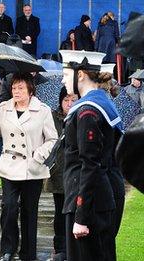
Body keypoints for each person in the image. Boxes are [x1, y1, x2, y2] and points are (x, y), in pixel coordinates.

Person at [0, 73, 57, 261]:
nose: (16, 91)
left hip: (33, 168)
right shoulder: (4, 108)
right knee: (9, 208)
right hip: (9, 166)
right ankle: (8, 248)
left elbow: (53, 139)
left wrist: (38, 155)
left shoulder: (43, 110)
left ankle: (28, 253)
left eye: (21, 88)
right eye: (14, 88)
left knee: (30, 212)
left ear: (30, 90)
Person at [59, 50, 125, 261]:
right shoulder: (99, 104)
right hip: (97, 200)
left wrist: (81, 216)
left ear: (80, 75)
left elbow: (90, 165)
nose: (63, 79)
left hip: (89, 204)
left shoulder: (88, 110)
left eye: (66, 74)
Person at [44, 87, 78, 261]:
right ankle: (60, 248)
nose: (69, 104)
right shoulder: (52, 117)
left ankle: (73, 247)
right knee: (59, 212)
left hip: (76, 174)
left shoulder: (82, 116)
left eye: (73, 100)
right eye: (66, 100)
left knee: (75, 212)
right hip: (58, 172)